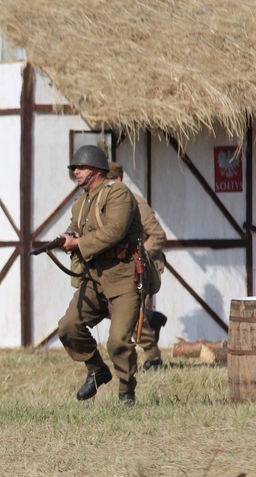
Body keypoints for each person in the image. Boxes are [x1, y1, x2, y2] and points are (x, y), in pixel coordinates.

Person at [56, 145, 144, 406]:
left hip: (124, 276)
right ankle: (97, 369)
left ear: (95, 169)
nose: (75, 173)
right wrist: (66, 238)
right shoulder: (81, 203)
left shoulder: (118, 193)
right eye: (74, 169)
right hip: (94, 277)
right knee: (68, 327)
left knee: (117, 342)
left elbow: (115, 231)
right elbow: (75, 229)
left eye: (80, 168)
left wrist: (79, 244)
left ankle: (126, 391)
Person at [107, 162, 168, 370]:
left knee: (130, 315)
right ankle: (153, 319)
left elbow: (158, 236)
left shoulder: (134, 202)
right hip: (126, 266)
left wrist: (138, 258)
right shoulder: (110, 204)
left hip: (146, 265)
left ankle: (153, 358)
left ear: (117, 181)